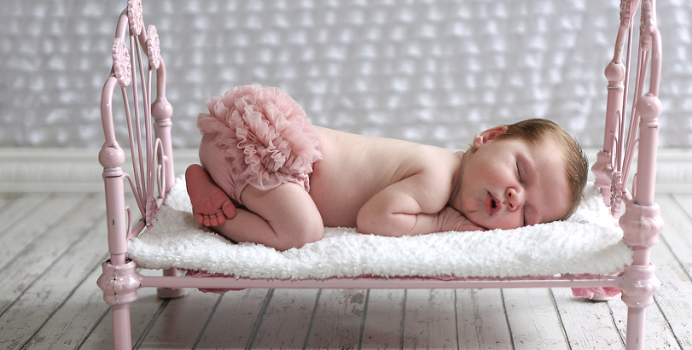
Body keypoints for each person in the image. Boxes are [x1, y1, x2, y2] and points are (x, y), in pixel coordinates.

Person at [185, 84, 589, 250]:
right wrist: (445, 223)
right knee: (303, 231)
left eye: (529, 215)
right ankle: (216, 214)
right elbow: (375, 218)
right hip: (260, 151)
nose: (517, 197)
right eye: (520, 172)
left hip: (254, 158)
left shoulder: (445, 173)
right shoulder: (436, 177)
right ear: (488, 136)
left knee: (294, 215)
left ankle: (210, 180)